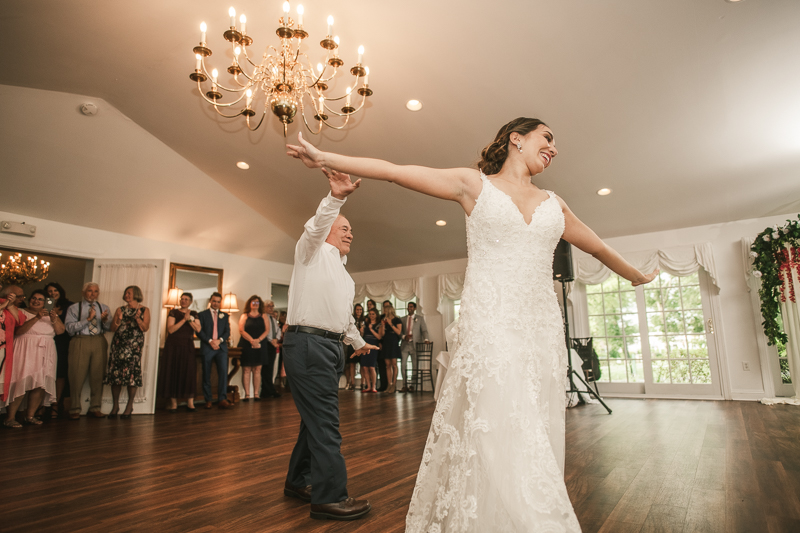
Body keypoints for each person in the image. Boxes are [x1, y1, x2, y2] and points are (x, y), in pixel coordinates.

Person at [287, 119, 658, 531]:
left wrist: (634, 275)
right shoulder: (474, 185)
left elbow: (598, 244)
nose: (554, 148)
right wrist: (324, 156)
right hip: (492, 326)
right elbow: (394, 170)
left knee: (532, 423)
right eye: (547, 137)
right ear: (517, 139)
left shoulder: (556, 203)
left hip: (541, 330)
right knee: (498, 420)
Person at [281, 168, 377, 521]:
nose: (351, 232)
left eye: (351, 228)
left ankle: (297, 482)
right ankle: (329, 497)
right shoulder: (310, 252)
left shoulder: (344, 273)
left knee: (314, 421)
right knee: (326, 423)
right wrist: (336, 197)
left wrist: (357, 342)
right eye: (344, 227)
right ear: (328, 232)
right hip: (308, 346)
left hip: (330, 348)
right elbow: (316, 226)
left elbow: (343, 317)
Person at [2, 289, 62, 427]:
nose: (36, 301)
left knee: (39, 384)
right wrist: (37, 318)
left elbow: (60, 331)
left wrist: (53, 319)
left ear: (45, 302)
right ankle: (10, 418)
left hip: (46, 351)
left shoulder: (51, 315)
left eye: (40, 299)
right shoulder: (21, 312)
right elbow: (18, 331)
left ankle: (30, 416)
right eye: (33, 298)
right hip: (25, 349)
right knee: (21, 381)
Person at [65, 282, 112, 419]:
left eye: (96, 291)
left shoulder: (104, 308)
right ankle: (74, 409)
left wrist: (104, 321)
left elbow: (109, 328)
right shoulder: (74, 308)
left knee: (98, 375)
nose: (93, 294)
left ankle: (95, 407)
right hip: (80, 341)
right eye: (90, 291)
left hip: (98, 340)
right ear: (83, 292)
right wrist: (88, 319)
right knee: (76, 375)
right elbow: (69, 329)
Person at [104, 286, 150, 419]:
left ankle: (129, 406)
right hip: (118, 345)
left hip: (134, 348)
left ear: (136, 294)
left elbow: (145, 328)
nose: (126, 295)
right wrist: (118, 318)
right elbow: (112, 328)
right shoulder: (120, 309)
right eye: (125, 293)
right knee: (116, 376)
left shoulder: (144, 310)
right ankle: (115, 406)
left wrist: (138, 319)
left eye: (129, 293)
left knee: (132, 376)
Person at [158, 293, 201, 412]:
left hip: (187, 346)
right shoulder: (173, 312)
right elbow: (171, 330)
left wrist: (189, 320)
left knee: (189, 371)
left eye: (186, 299)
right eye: (182, 299)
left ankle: (190, 403)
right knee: (173, 371)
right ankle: (173, 403)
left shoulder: (194, 314)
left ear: (191, 301)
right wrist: (183, 320)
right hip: (173, 346)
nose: (183, 301)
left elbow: (198, 329)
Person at [197, 292, 233, 410]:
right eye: (214, 301)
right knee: (206, 374)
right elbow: (199, 331)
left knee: (223, 373)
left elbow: (227, 331)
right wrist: (210, 341)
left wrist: (219, 340)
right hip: (208, 347)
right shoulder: (202, 315)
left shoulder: (225, 315)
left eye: (218, 301)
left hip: (221, 348)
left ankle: (222, 399)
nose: (216, 303)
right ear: (210, 301)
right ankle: (208, 400)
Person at [45, 282, 73, 418]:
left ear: (60, 291)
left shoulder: (69, 306)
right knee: (46, 372)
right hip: (46, 341)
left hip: (63, 343)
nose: (52, 293)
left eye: (55, 290)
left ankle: (56, 403)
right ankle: (43, 403)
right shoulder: (44, 305)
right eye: (49, 291)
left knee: (60, 373)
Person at [0, 286, 26, 423]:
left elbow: (19, 322)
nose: (22, 299)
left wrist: (9, 306)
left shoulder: (14, 310)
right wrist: (4, 304)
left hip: (4, 349)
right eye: (19, 296)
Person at [238, 295, 267, 401]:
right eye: (253, 302)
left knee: (257, 369)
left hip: (260, 345)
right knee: (246, 369)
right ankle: (247, 394)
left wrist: (258, 340)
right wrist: (252, 340)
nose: (255, 304)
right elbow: (241, 330)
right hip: (246, 344)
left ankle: (256, 394)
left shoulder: (264, 316)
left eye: (257, 303)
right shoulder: (244, 316)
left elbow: (267, 330)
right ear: (249, 303)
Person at [399, 301, 429, 393]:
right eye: (408, 307)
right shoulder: (402, 319)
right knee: (403, 365)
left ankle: (412, 385)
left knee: (414, 366)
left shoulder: (419, 318)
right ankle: (404, 385)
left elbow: (424, 330)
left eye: (411, 307)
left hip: (415, 345)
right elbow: (399, 332)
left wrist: (426, 339)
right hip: (405, 345)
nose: (409, 308)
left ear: (415, 308)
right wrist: (404, 337)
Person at [379, 301, 403, 394]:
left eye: (385, 310)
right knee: (387, 365)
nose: (384, 311)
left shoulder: (397, 320)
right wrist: (383, 325)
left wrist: (391, 324)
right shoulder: (383, 320)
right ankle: (389, 384)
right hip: (386, 341)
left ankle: (394, 384)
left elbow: (399, 332)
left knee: (394, 364)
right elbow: (382, 335)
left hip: (393, 341)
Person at [259, 300, 281, 399]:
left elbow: (278, 330)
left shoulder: (273, 319)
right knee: (265, 369)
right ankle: (266, 390)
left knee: (271, 368)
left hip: (273, 345)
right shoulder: (262, 318)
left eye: (272, 306)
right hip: (266, 344)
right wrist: (271, 340)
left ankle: (269, 390)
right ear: (263, 307)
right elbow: (264, 331)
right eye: (269, 306)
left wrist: (276, 339)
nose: (271, 308)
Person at [359, 308, 381, 394]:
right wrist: (361, 331)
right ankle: (368, 386)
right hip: (365, 345)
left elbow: (379, 337)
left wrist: (371, 329)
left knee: (372, 367)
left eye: (373, 314)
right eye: (370, 314)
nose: (371, 315)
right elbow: (362, 336)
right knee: (364, 367)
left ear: (376, 315)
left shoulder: (378, 325)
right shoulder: (366, 324)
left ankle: (374, 386)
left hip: (373, 345)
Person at [344, 304, 364, 390]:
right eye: (357, 310)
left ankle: (363, 383)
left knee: (363, 364)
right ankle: (352, 383)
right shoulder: (352, 320)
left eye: (360, 310)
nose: (359, 311)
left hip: (362, 343)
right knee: (351, 364)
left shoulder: (364, 320)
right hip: (352, 343)